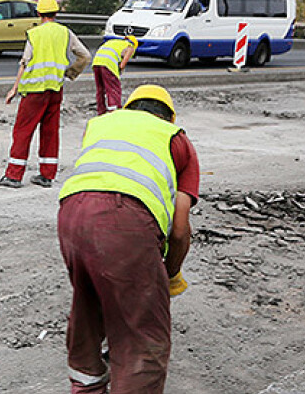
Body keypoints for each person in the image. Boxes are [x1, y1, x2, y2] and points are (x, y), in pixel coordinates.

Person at [56, 85, 199, 393]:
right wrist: (171, 275)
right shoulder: (176, 138)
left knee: (87, 309)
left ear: (131, 107)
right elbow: (179, 230)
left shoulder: (102, 124)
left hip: (70, 215)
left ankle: (87, 387)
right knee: (142, 335)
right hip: (124, 221)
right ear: (169, 116)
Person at [0, 0, 91, 189]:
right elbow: (85, 56)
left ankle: (14, 175)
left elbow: (25, 62)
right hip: (55, 90)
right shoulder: (66, 33)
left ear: (39, 13)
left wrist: (14, 89)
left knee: (23, 131)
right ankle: (47, 175)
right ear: (56, 12)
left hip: (33, 91)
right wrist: (70, 73)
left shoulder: (35, 34)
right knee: (50, 132)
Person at [91, 35, 137, 115]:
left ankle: (101, 111)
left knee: (100, 89)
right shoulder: (130, 47)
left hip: (96, 62)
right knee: (113, 88)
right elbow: (122, 65)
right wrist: (120, 71)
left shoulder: (114, 42)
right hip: (108, 64)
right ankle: (114, 111)